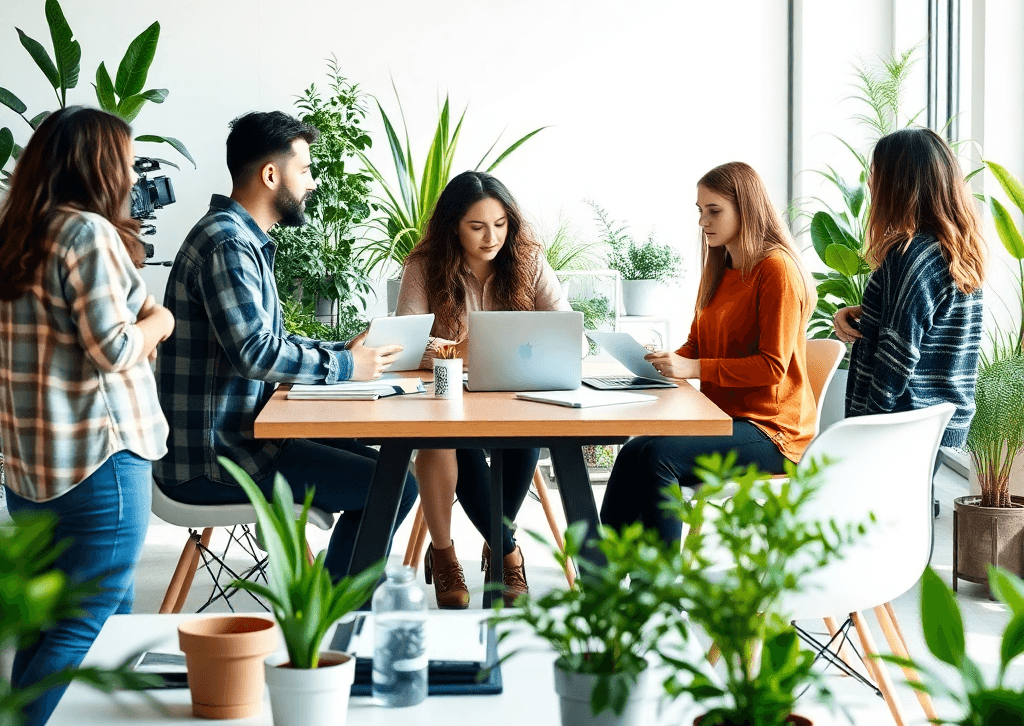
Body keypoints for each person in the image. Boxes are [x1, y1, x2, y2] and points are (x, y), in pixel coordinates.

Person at [153, 111, 417, 580]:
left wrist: (344, 350)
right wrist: (344, 367)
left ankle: (333, 608)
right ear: (271, 175)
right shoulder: (226, 245)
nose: (312, 183)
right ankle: (333, 616)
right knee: (392, 485)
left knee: (394, 477)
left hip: (242, 440)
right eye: (306, 169)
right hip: (217, 460)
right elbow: (255, 353)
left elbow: (266, 340)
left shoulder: (240, 239)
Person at [0, 107, 175, 726]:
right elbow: (115, 348)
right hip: (101, 460)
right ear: (97, 164)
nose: (131, 175)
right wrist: (161, 321)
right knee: (89, 619)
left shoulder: (13, 231)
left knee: (54, 623)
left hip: (30, 467)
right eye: (125, 161)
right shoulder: (86, 235)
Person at [600, 161, 817, 546]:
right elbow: (697, 345)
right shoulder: (720, 266)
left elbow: (772, 368)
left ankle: (657, 594)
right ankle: (601, 581)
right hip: (723, 420)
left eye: (713, 210)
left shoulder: (776, 270)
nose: (703, 221)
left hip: (772, 433)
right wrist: (664, 360)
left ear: (746, 208)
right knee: (633, 452)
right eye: (700, 211)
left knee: (657, 458)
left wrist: (693, 367)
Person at [396, 170, 571, 608]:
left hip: (510, 397)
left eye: (500, 225)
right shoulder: (423, 266)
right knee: (443, 442)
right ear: (453, 225)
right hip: (447, 398)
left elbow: (567, 329)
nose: (491, 237)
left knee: (525, 436)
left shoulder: (528, 259)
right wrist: (455, 349)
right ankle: (473, 552)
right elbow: (403, 342)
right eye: (477, 227)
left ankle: (499, 544)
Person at [833, 127, 986, 453]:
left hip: (895, 429)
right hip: (933, 425)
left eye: (876, 174)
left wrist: (862, 433)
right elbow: (931, 324)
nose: (871, 183)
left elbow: (898, 355)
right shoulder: (955, 250)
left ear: (897, 183)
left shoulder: (911, 254)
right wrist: (861, 313)